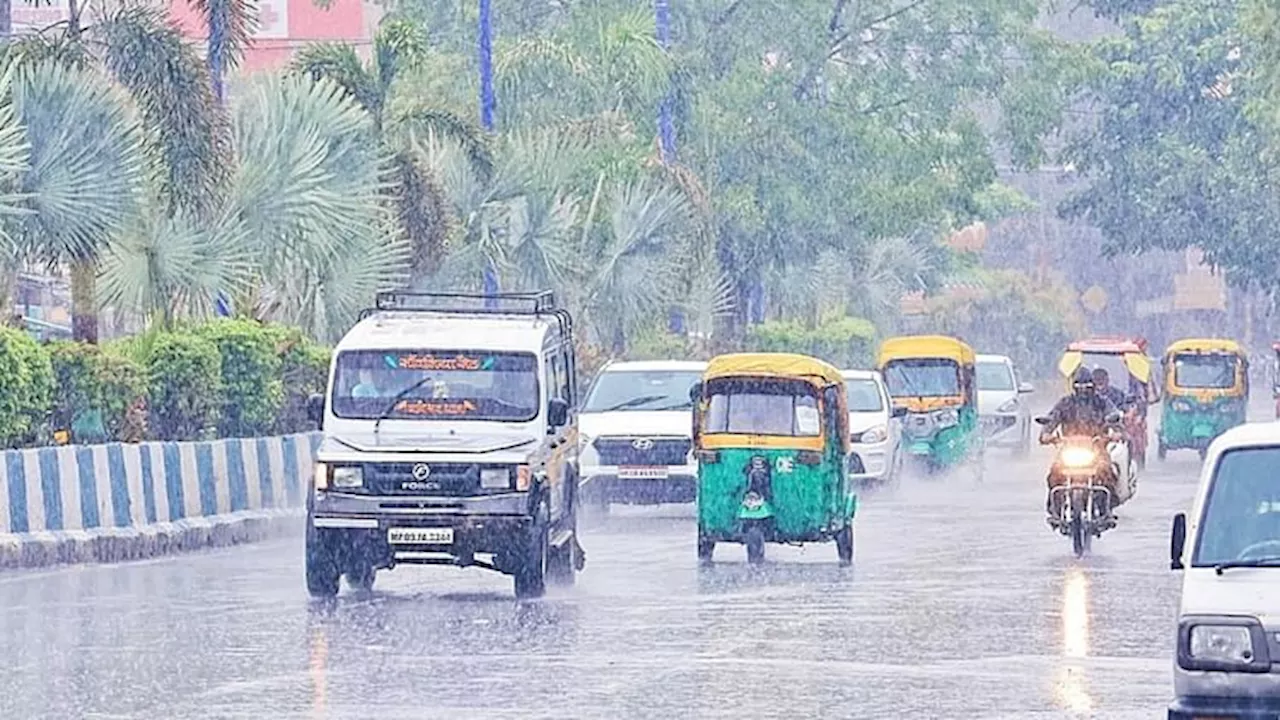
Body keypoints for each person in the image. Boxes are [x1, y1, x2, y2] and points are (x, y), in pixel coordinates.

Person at [1039, 367, 1128, 523]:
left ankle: (1106, 510)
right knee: (1054, 475)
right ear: (1074, 387)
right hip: (1068, 450)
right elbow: (1052, 418)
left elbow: (1115, 418)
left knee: (1107, 473)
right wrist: (1047, 435)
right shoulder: (1066, 403)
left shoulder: (1102, 403)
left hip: (1097, 449)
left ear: (1092, 386)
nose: (1083, 391)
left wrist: (1116, 433)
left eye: (1087, 387)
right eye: (1079, 387)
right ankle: (1055, 510)